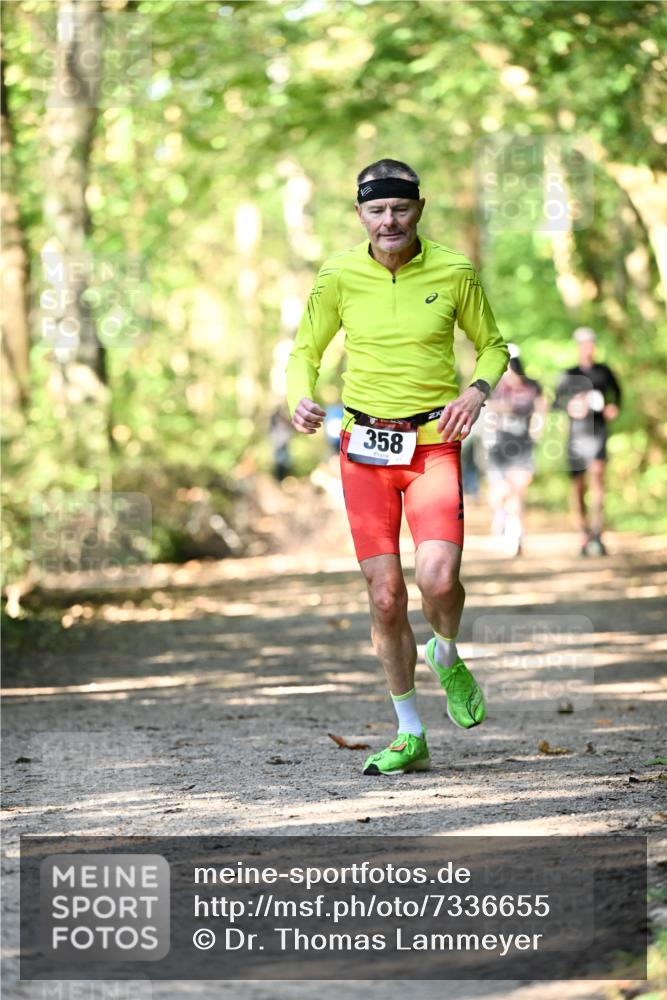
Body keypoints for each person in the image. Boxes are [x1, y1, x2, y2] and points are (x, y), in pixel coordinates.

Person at [286, 158, 509, 775]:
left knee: (438, 581)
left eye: (401, 208)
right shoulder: (337, 276)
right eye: (377, 209)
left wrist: (477, 392)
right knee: (385, 596)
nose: (390, 221)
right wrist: (298, 397)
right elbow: (305, 351)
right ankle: (410, 731)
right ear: (360, 214)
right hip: (365, 449)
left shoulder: (454, 270)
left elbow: (492, 345)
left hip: (433, 441)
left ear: (419, 209)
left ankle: (447, 652)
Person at [554, 327, 621, 556]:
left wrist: (613, 407)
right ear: (578, 347)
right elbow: (556, 402)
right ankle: (583, 532)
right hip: (576, 436)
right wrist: (570, 407)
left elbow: (617, 394)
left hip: (598, 432)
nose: (588, 348)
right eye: (583, 344)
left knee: (598, 478)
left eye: (591, 344)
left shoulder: (604, 371)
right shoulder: (569, 373)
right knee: (578, 486)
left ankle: (598, 532)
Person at [484, 345, 545, 557]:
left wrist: (536, 430)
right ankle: (500, 516)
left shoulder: (532, 387)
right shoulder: (494, 387)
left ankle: (516, 534)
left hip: (523, 447)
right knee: (500, 493)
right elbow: (487, 410)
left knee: (518, 492)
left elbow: (540, 410)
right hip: (499, 447)